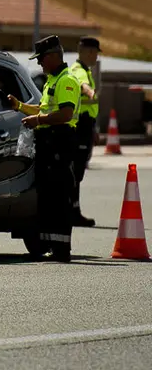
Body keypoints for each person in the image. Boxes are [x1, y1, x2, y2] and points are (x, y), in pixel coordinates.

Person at [8, 35, 81, 263]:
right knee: (48, 197)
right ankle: (51, 246)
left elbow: (65, 114)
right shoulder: (52, 80)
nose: (39, 63)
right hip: (49, 144)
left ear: (53, 56)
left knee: (59, 198)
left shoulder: (66, 81)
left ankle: (61, 249)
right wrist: (20, 106)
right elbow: (43, 108)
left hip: (60, 142)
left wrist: (38, 121)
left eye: (41, 58)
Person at [70, 36, 101, 228]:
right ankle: (72, 212)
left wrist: (94, 129)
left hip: (86, 126)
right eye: (94, 52)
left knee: (77, 171)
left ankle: (73, 210)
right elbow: (83, 86)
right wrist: (89, 92)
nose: (96, 57)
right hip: (80, 126)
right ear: (87, 52)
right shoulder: (79, 71)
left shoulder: (85, 70)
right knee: (75, 171)